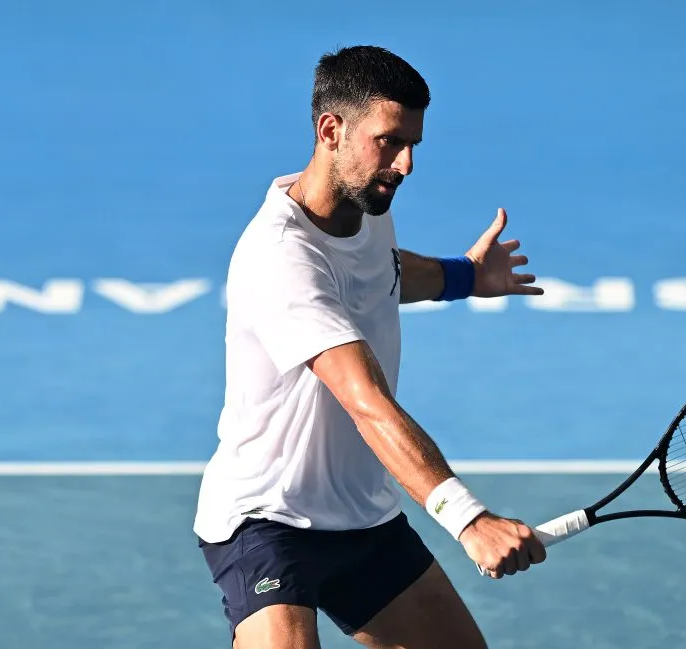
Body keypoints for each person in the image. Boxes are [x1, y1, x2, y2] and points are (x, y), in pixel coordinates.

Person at [193, 44, 548, 649]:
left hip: (362, 514)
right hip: (267, 519)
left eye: (413, 144)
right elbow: (367, 403)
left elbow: (378, 270)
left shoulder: (364, 205)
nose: (405, 164)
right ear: (331, 130)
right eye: (389, 141)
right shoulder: (281, 257)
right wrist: (470, 520)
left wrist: (463, 276)